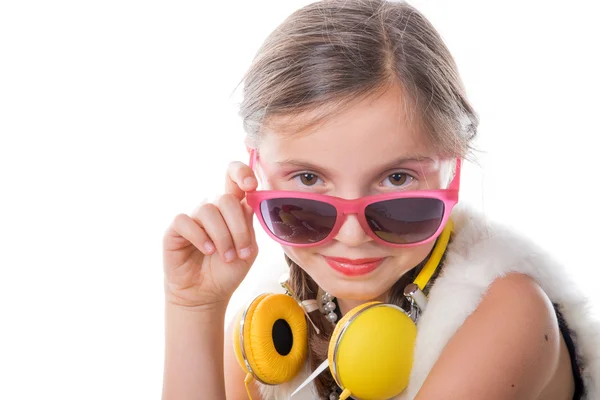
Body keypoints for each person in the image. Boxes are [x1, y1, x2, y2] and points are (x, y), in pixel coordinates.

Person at [161, 1, 600, 399]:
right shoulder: (270, 333)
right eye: (309, 177)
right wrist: (195, 306)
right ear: (255, 175)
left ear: (453, 171)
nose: (352, 236)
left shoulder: (507, 312)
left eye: (395, 178)